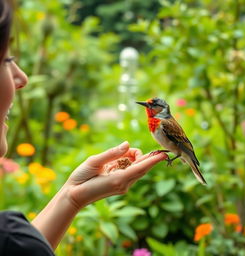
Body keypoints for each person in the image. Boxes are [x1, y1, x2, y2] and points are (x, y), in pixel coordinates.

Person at [0, 0, 167, 255]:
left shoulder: (9, 238)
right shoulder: (8, 235)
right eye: (6, 58)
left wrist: (73, 196)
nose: (22, 77)